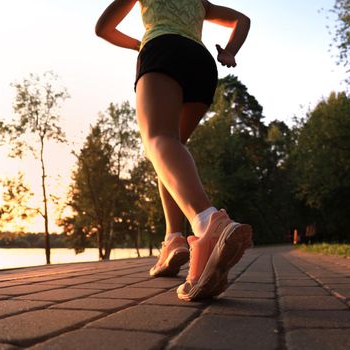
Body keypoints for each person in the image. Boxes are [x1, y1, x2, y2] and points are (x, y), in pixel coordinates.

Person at [95, 0, 252, 301]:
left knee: (157, 140)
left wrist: (139, 44)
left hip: (163, 51)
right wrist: (230, 51)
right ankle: (174, 240)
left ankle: (208, 223)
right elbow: (242, 20)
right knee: (170, 151)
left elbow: (103, 29)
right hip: (201, 62)